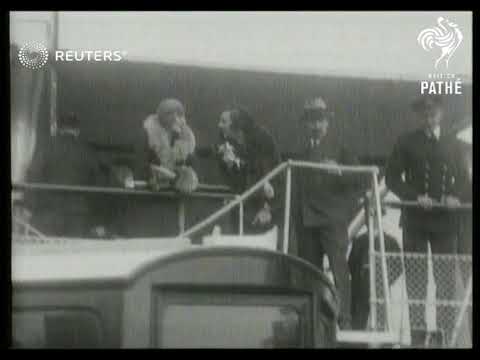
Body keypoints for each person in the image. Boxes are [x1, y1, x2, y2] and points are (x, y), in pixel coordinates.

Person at [385, 95, 470, 344]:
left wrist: (455, 196)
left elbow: (465, 180)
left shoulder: (454, 144)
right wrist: (415, 196)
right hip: (416, 221)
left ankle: (445, 337)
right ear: (419, 115)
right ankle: (418, 338)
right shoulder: (406, 142)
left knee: (445, 282)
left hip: (445, 223)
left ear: (441, 113)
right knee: (416, 282)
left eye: (433, 112)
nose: (428, 116)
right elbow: (391, 177)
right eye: (424, 112)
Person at [294, 96, 364, 330]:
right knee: (310, 272)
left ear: (327, 123)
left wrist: (340, 171)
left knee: (339, 269)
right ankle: (313, 319)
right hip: (307, 221)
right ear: (306, 125)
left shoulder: (341, 150)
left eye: (320, 120)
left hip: (332, 220)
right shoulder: (302, 153)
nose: (315, 125)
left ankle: (345, 319)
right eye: (311, 121)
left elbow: (360, 177)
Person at [26, 112, 106, 238]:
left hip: (48, 212)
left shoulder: (46, 147)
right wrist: (97, 217)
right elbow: (98, 182)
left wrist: (30, 205)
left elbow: (33, 174)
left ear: (58, 128)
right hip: (78, 215)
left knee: (47, 253)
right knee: (73, 254)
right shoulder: (87, 151)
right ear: (77, 130)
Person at [216, 107, 282, 234]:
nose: (219, 125)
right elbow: (236, 179)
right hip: (242, 209)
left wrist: (267, 209)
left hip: (266, 209)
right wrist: (231, 165)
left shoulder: (261, 139)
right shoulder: (227, 143)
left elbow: (275, 176)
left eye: (223, 122)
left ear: (236, 126)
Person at [348, 200, 402, 330]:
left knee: (381, 323)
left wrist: (384, 279)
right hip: (360, 290)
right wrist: (360, 278)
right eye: (369, 216)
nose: (372, 220)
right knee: (358, 324)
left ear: (381, 217)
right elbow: (351, 264)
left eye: (376, 216)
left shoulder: (390, 243)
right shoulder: (359, 241)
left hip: (380, 289)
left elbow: (398, 267)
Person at [135, 98, 199, 194]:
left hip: (176, 189)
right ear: (164, 116)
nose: (178, 120)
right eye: (174, 115)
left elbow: (188, 165)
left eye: (180, 115)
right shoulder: (148, 133)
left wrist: (183, 177)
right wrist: (151, 176)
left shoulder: (186, 136)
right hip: (150, 188)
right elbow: (142, 162)